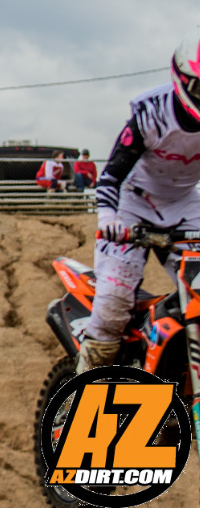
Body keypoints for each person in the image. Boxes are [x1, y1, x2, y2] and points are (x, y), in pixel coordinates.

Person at [79, 27, 200, 373]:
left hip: (185, 203)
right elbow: (111, 175)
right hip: (133, 204)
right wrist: (108, 220)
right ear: (183, 80)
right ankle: (83, 383)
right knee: (113, 301)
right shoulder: (151, 113)